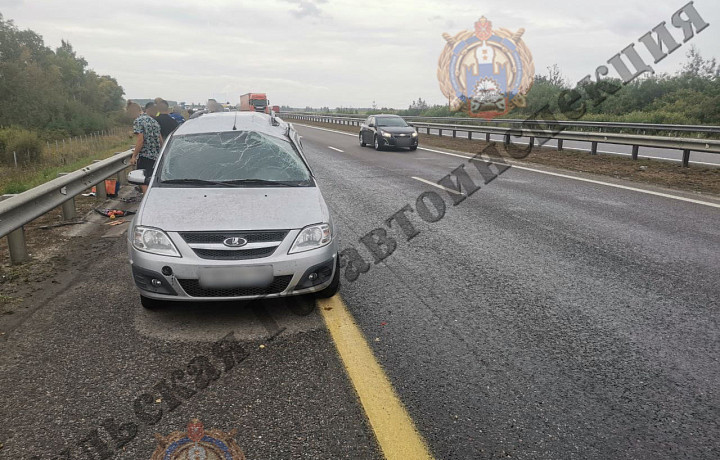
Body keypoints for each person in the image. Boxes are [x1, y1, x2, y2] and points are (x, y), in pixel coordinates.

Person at [127, 101, 163, 193]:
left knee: (143, 181)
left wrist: (134, 156)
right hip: (156, 156)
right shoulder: (154, 121)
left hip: (145, 156)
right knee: (153, 181)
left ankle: (147, 201)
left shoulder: (138, 121)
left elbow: (140, 140)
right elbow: (160, 139)